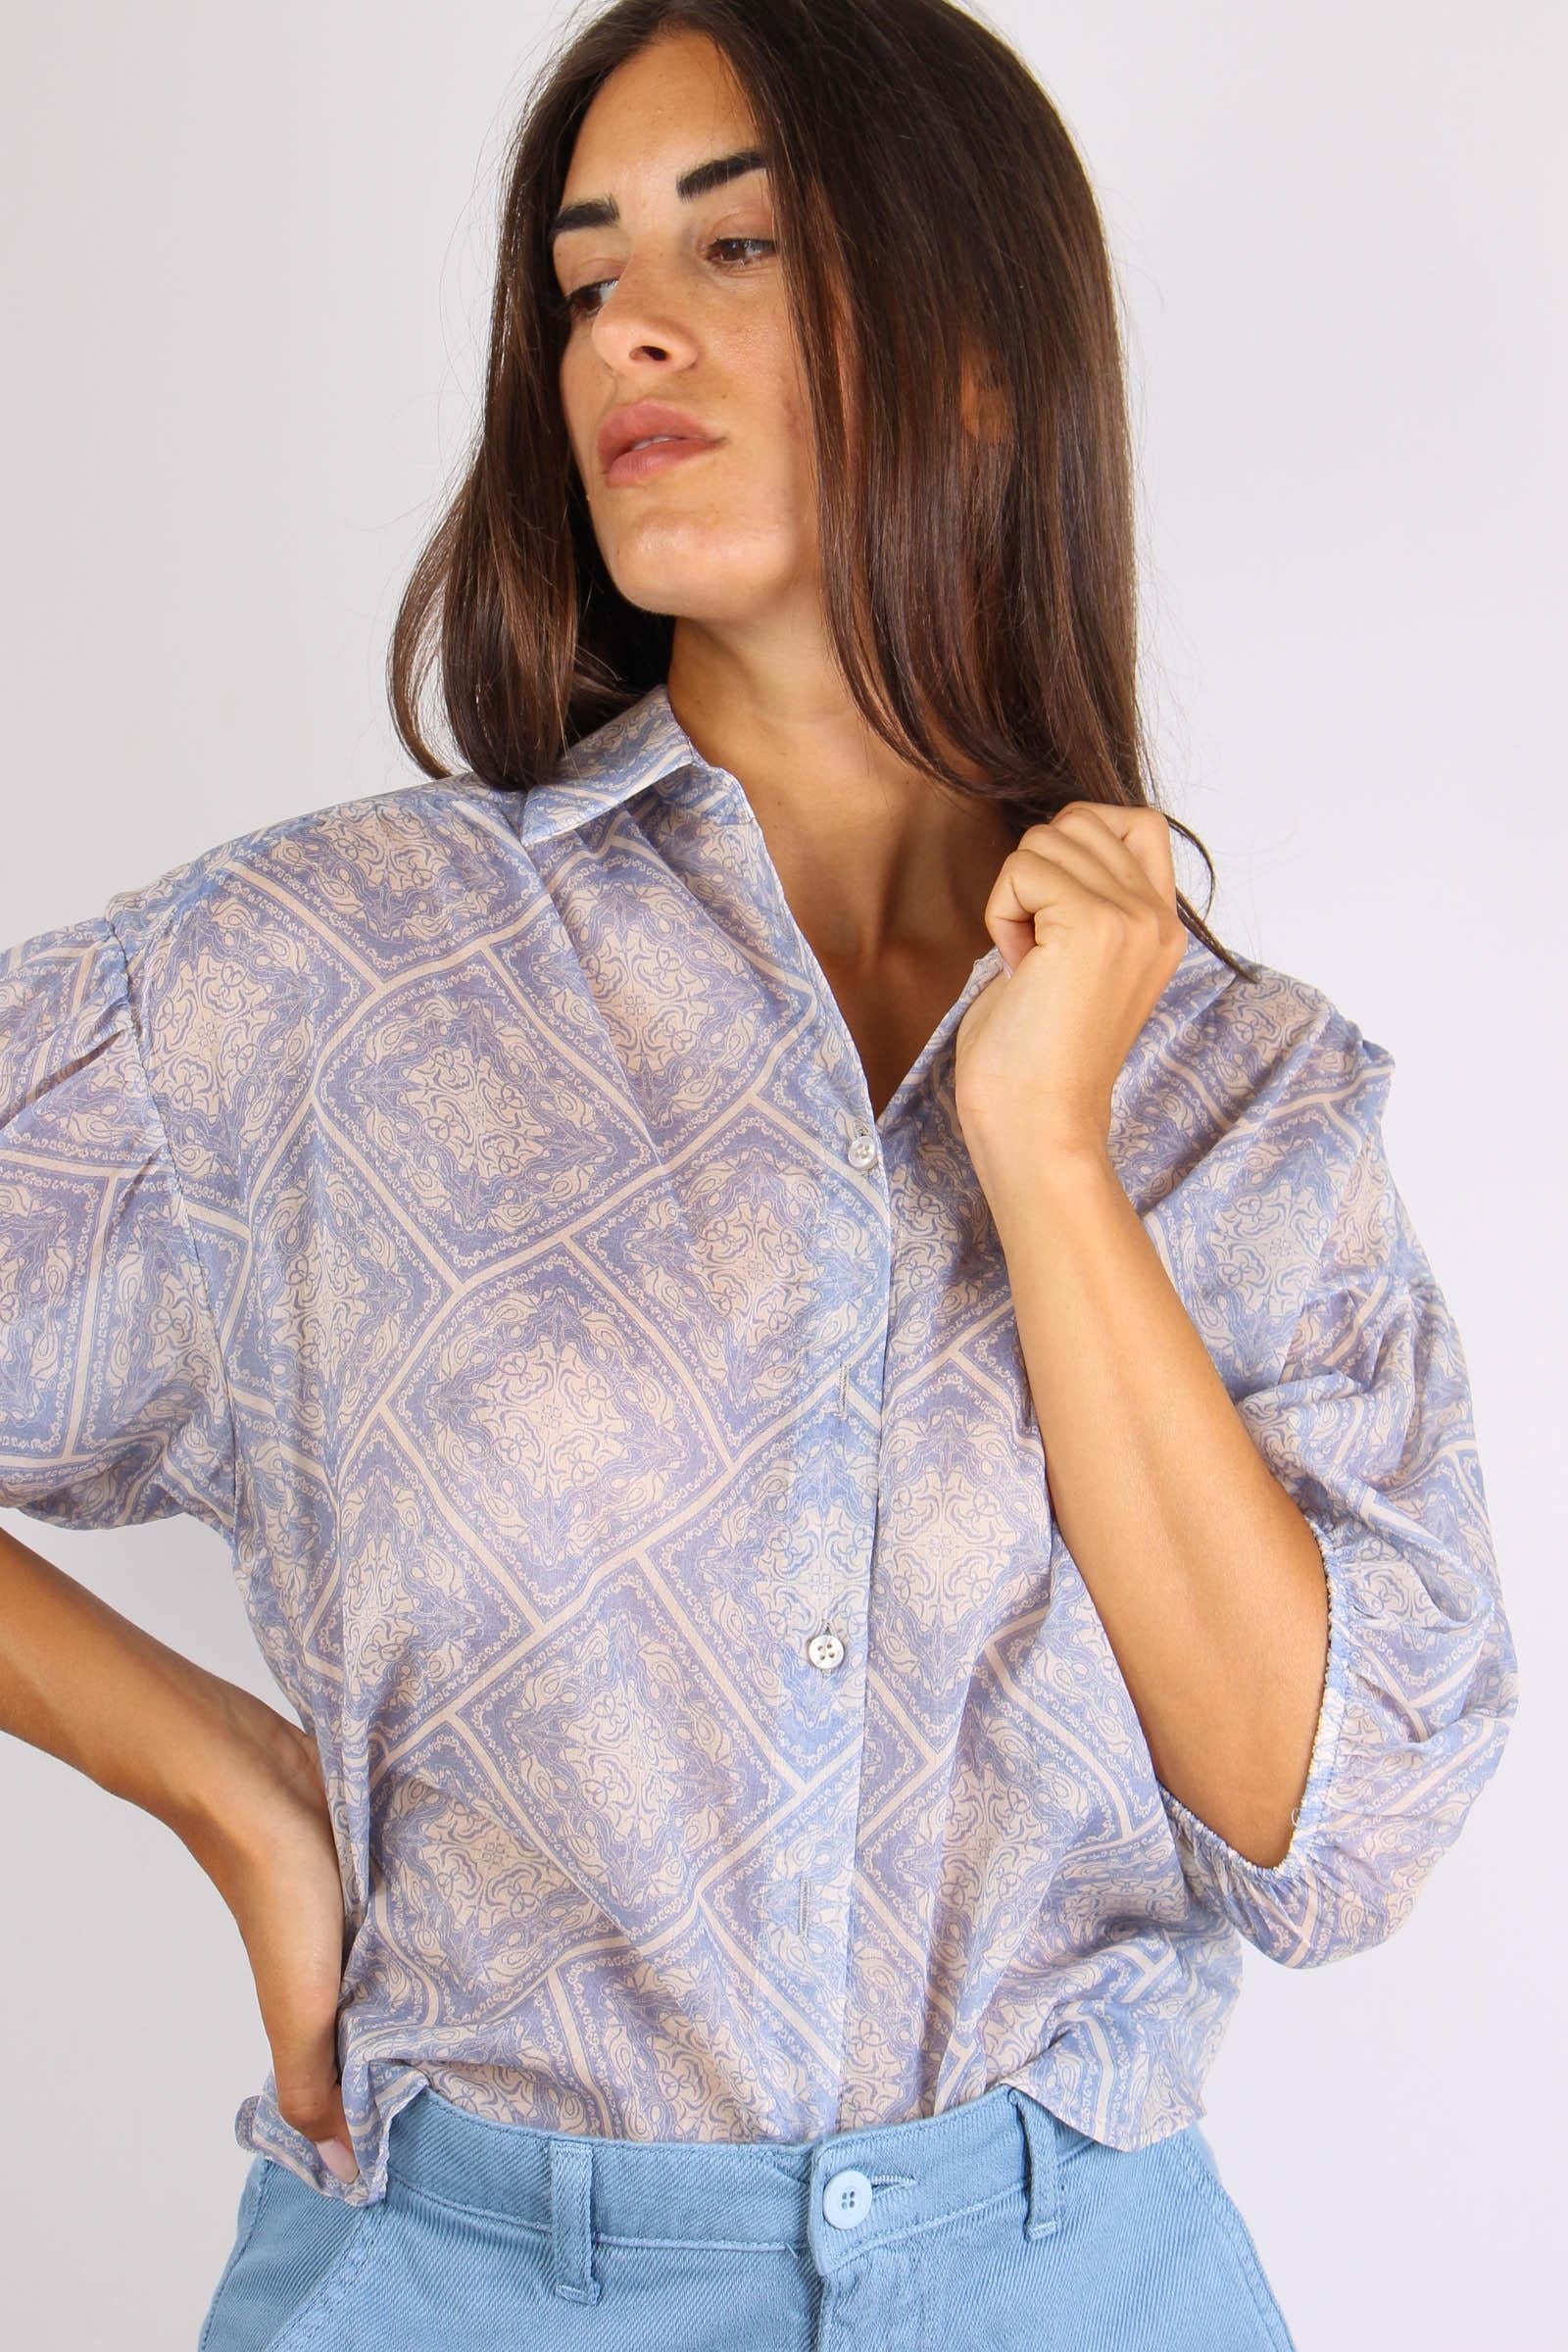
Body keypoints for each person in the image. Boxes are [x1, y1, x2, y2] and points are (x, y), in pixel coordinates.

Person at [0, 4, 1519, 2347]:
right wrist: (220, 1780)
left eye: (740, 246)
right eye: (584, 272)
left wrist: (1045, 1152)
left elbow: (1328, 1843)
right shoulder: (326, 981)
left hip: (1076, 2293)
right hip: (460, 2287)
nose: (627, 324)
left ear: (981, 354)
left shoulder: (1235, 1099)